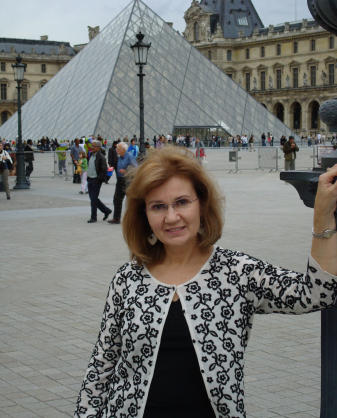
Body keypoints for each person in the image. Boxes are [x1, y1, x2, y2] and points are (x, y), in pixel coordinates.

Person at [75, 147, 337, 418]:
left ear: (201, 202)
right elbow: (101, 368)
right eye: (158, 206)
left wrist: (322, 218)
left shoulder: (236, 273)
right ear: (143, 214)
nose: (171, 217)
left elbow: (316, 292)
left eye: (182, 202)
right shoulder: (127, 279)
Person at [108, 142, 138, 224]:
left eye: (118, 149)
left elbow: (135, 169)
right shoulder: (120, 158)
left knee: (130, 200)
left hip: (127, 181)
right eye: (117, 149)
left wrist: (126, 171)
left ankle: (131, 219)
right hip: (120, 180)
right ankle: (116, 218)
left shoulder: (129, 156)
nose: (117, 150)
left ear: (124, 150)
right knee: (117, 199)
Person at [86, 140, 112, 223]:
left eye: (93, 146)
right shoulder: (91, 155)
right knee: (93, 198)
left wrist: (97, 179)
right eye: (91, 146)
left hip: (96, 180)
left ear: (98, 147)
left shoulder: (101, 157)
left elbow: (104, 170)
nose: (91, 147)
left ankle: (93, 217)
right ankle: (106, 210)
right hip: (90, 179)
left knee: (93, 198)